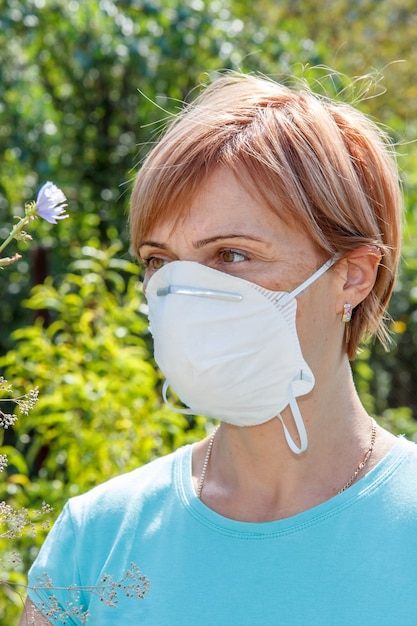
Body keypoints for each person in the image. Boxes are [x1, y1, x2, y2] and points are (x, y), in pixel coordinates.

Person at [20, 72, 417, 625]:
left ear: (352, 276)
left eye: (231, 255)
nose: (185, 296)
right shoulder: (95, 540)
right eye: (159, 261)